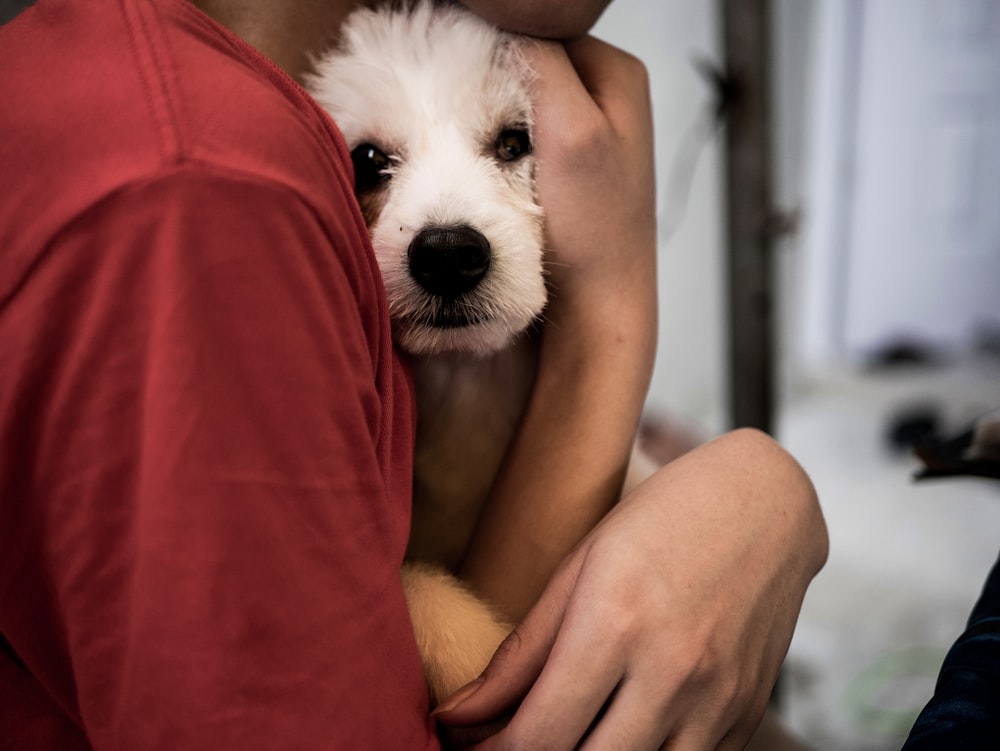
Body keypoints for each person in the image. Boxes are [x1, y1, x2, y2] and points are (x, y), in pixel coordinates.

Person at [0, 1, 828, 749]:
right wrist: (610, 314)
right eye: (372, 163)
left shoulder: (150, 87)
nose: (444, 227)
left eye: (512, 145)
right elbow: (486, 712)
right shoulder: (203, 194)